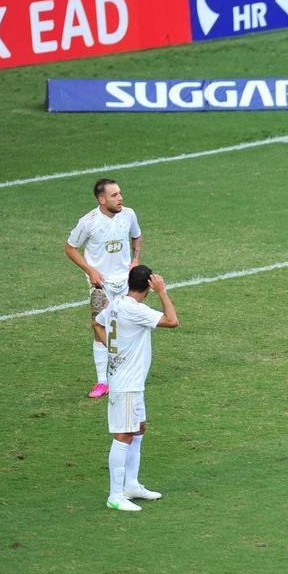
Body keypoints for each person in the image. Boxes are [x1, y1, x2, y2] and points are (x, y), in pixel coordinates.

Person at [93, 264, 179, 512]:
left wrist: (113, 349)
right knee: (124, 435)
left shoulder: (117, 304)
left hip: (130, 382)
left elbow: (96, 324)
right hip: (127, 384)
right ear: (149, 286)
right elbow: (172, 321)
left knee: (138, 428)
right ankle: (115, 495)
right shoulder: (136, 310)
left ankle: (131, 484)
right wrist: (163, 292)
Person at [65, 178, 143, 398]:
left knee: (128, 325)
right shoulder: (88, 222)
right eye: (114, 195)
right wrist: (90, 270)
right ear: (101, 199)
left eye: (120, 193)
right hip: (101, 285)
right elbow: (70, 248)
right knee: (100, 328)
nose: (120, 198)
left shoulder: (129, 214)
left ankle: (127, 370)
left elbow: (137, 236)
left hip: (126, 282)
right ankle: (102, 382)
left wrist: (136, 260)